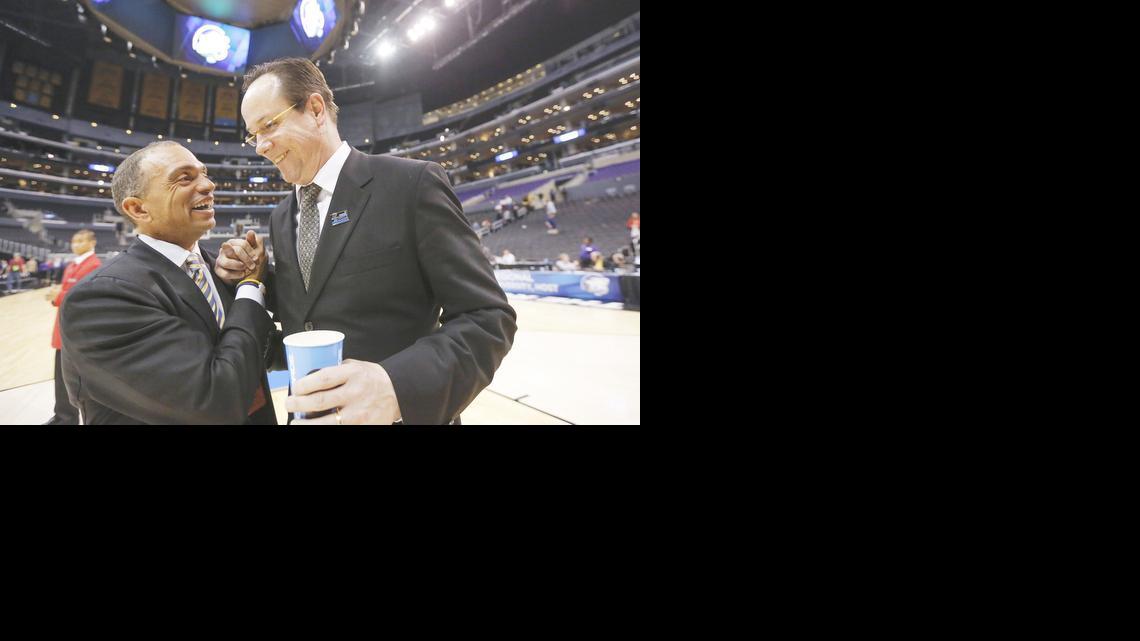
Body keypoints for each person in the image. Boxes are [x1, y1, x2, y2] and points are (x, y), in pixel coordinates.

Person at [217, 57, 515, 425]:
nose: (260, 146)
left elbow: (487, 318)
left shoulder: (411, 184)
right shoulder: (281, 216)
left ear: (315, 109)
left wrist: (397, 388)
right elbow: (309, 309)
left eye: (269, 126)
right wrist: (255, 277)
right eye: (253, 135)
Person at [59, 141, 277, 425]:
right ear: (138, 209)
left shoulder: (219, 268)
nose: (208, 185)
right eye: (185, 178)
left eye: (204, 173)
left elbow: (253, 353)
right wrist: (251, 287)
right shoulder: (100, 298)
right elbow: (215, 401)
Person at [42, 229, 102, 425]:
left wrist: (57, 296)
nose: (75, 244)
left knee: (72, 381)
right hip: (63, 328)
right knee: (60, 379)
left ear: (92, 242)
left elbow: (79, 297)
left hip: (76, 333)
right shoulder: (73, 265)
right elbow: (67, 291)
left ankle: (66, 419)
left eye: (80, 240)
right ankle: (62, 416)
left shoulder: (93, 265)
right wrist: (57, 296)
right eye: (74, 240)